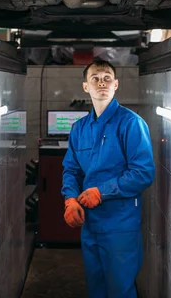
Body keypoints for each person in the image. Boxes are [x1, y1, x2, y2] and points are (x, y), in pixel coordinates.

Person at [61, 60, 155, 298]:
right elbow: (71, 169)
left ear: (116, 84)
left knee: (119, 289)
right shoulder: (79, 128)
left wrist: (102, 192)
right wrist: (70, 199)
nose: (101, 83)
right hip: (90, 222)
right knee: (96, 286)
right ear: (85, 86)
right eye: (95, 78)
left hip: (120, 224)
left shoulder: (131, 123)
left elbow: (143, 172)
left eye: (106, 78)